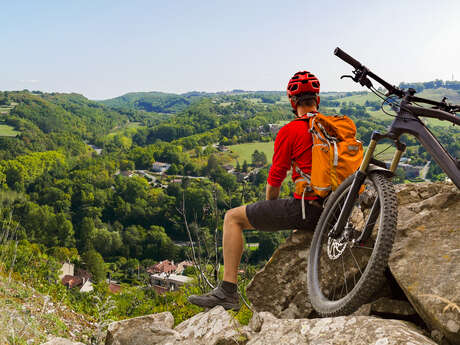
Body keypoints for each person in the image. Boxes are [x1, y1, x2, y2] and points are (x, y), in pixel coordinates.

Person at [188, 71, 324, 310]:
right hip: (339, 208)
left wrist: (270, 207)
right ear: (318, 100)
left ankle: (227, 292)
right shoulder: (336, 127)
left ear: (293, 103)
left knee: (232, 218)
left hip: (309, 209)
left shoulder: (291, 131)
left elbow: (275, 179)